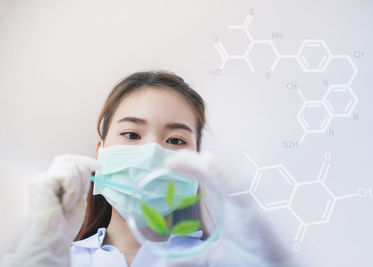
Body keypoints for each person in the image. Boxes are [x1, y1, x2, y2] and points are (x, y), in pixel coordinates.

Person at [0, 71, 299, 267]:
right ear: (99, 154)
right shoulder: (52, 258)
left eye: (175, 140)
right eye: (131, 134)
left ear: (196, 166)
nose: (151, 152)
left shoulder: (222, 260)